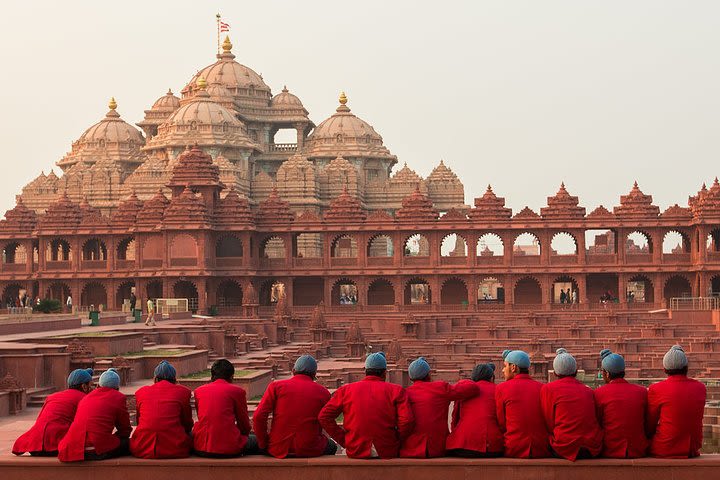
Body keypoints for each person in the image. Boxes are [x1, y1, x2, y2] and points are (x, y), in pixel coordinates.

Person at [318, 352, 414, 459]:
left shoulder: (346, 390)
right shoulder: (396, 391)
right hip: (387, 449)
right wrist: (396, 439)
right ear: (384, 373)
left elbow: (324, 416)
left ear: (365, 371)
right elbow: (406, 421)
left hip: (356, 449)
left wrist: (344, 440)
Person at [254, 354, 336, 458]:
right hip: (310, 448)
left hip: (277, 447)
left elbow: (258, 417)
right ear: (314, 374)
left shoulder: (276, 387)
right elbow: (327, 420)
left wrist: (263, 443)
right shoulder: (323, 392)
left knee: (251, 441)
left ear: (293, 371)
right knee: (332, 446)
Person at [400, 357, 479, 458]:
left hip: (410, 449)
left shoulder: (405, 393)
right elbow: (472, 388)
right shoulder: (439, 388)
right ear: (429, 375)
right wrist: (463, 381)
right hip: (437, 448)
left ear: (410, 378)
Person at [13, 368, 93, 456]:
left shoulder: (52, 397)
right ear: (84, 386)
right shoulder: (85, 399)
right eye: (91, 385)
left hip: (34, 444)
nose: (92, 388)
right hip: (56, 444)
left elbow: (40, 421)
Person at [541, 348, 603, 461]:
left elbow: (548, 421)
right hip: (591, 447)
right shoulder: (588, 391)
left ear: (555, 372)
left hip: (563, 446)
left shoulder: (549, 389)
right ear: (575, 371)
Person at [58, 369, 131, 462]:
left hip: (73, 449)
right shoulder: (118, 397)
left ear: (97, 386)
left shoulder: (85, 398)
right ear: (117, 389)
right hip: (97, 449)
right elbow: (125, 430)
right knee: (128, 443)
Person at [646, 345, 706, 458]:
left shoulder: (657, 389)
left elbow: (650, 423)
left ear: (664, 369)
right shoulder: (700, 387)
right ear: (686, 367)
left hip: (665, 447)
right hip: (691, 447)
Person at [194, 359, 258, 457]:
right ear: (231, 376)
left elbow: (202, 417)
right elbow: (244, 423)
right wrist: (242, 436)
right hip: (229, 447)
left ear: (212, 376)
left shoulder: (199, 391)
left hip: (201, 447)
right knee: (259, 441)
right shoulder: (237, 391)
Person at [130, 361, 193, 459]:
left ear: (155, 379)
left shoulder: (141, 392)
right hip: (175, 448)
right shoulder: (183, 392)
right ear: (175, 379)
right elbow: (187, 424)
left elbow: (139, 421)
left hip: (142, 448)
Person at [495, 349, 551, 458]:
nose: (502, 370)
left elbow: (501, 423)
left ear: (513, 367)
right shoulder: (542, 388)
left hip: (514, 447)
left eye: (505, 366)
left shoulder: (502, 388)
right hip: (541, 448)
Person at [593, 349, 648, 458]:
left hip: (610, 449)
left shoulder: (599, 393)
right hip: (638, 449)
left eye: (603, 372)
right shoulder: (641, 392)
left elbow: (597, 422)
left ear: (607, 374)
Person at [446, 363, 502, 457]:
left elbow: (454, 419)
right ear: (491, 377)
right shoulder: (498, 389)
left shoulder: (465, 389)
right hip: (492, 446)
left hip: (462, 445)